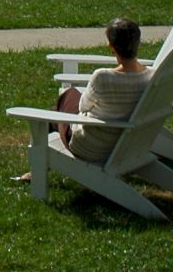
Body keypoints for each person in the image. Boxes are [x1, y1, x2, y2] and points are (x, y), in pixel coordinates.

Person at [15, 17, 150, 180]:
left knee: (67, 97)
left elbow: (83, 107)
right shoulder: (152, 76)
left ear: (111, 46)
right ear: (138, 43)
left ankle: (38, 170)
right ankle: (41, 164)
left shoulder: (103, 77)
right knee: (68, 99)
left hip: (91, 146)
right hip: (127, 144)